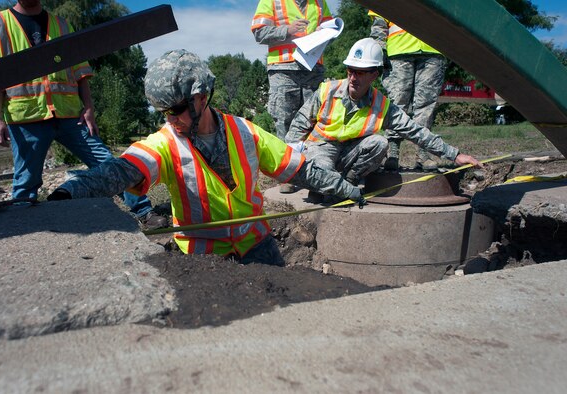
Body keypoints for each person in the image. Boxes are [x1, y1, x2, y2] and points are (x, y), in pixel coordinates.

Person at [47, 49, 364, 266]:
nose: (170, 119)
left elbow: (299, 170)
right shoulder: (164, 144)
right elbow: (119, 172)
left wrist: (344, 188)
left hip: (257, 246)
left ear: (201, 96)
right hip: (204, 258)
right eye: (163, 112)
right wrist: (70, 191)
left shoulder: (246, 132)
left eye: (176, 110)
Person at [0, 0, 167, 230]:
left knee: (107, 162)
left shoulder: (61, 24)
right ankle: (24, 229)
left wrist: (88, 108)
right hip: (26, 117)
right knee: (26, 182)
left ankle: (144, 211)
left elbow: (80, 72)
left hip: (70, 114)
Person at [285, 38, 481, 202]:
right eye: (350, 70)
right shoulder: (327, 90)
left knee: (380, 143)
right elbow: (299, 123)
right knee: (321, 182)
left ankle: (347, 181)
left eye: (360, 72)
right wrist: (289, 161)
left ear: (374, 74)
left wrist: (454, 155)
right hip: (321, 148)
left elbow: (415, 131)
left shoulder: (382, 105)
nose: (353, 77)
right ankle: (326, 183)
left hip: (350, 152)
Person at [251, 0, 333, 193]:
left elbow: (330, 28)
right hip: (283, 68)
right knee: (285, 121)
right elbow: (259, 33)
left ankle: (315, 174)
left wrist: (326, 32)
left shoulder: (319, 3)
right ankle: (288, 174)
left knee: (315, 121)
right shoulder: (272, 1)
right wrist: (287, 30)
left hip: (313, 67)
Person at [368, 10, 447, 171]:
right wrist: (379, 49)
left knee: (426, 106)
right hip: (398, 50)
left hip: (433, 49)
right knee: (397, 104)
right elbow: (379, 21)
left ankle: (423, 154)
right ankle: (392, 153)